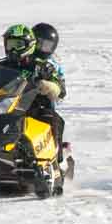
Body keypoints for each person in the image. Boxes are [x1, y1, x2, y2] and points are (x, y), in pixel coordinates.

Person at [30, 21, 67, 151]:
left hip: (40, 104)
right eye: (38, 43)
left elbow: (61, 89)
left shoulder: (50, 64)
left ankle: (56, 156)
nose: (41, 48)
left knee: (53, 120)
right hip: (14, 102)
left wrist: (51, 86)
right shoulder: (21, 58)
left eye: (46, 45)